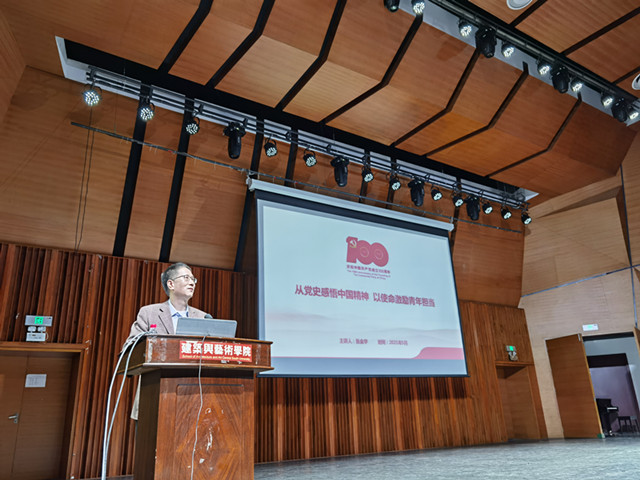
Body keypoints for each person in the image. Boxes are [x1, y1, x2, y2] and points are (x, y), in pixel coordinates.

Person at [126, 262, 207, 420]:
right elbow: (130, 348)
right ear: (171, 284)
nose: (192, 282)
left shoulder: (203, 317)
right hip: (153, 396)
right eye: (186, 278)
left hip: (191, 399)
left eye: (193, 279)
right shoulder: (149, 313)